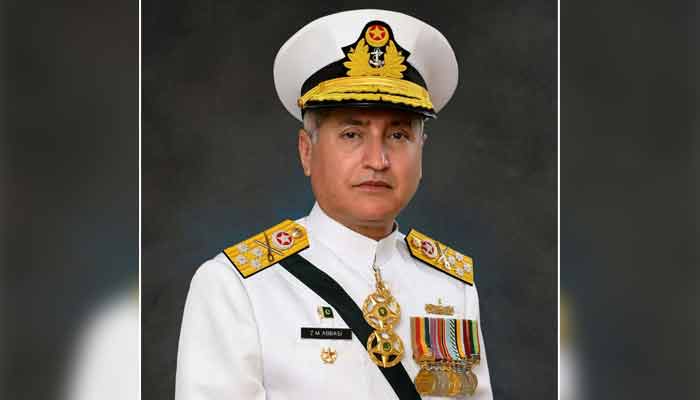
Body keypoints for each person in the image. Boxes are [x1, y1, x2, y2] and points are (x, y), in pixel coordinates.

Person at [175, 9, 493, 399]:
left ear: (421, 151)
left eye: (397, 135)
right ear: (307, 151)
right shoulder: (238, 288)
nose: (377, 160)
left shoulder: (452, 285)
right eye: (351, 134)